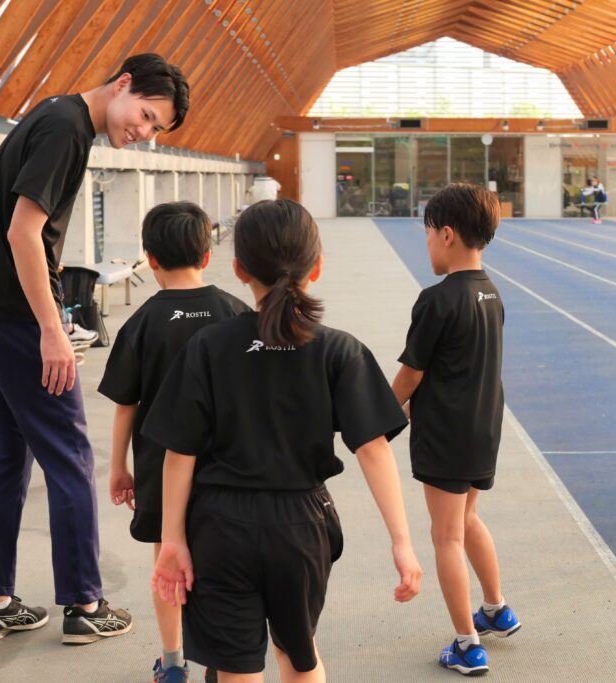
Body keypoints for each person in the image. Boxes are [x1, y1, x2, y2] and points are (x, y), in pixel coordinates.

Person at [0, 53, 189, 644]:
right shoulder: (65, 129)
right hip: (8, 314)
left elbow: (39, 232)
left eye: (156, 129)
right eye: (148, 117)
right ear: (124, 84)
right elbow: (21, 231)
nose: (144, 133)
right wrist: (51, 329)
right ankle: (84, 604)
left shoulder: (56, 114)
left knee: (5, 452)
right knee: (70, 454)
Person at [147, 200, 422, 683]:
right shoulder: (339, 349)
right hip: (300, 528)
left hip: (220, 528)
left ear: (237, 268)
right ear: (316, 267)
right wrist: (402, 542)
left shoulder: (209, 346)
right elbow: (373, 449)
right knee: (299, 657)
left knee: (235, 669)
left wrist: (172, 539)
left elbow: (179, 452)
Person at [98, 202, 251, 682]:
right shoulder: (236, 312)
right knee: (222, 565)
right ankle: (220, 659)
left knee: (168, 560)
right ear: (207, 256)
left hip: (161, 469)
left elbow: (126, 403)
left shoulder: (143, 321)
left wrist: (120, 466)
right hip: (229, 471)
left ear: (150, 258)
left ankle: (172, 661)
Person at [391, 184, 520, 677]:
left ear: (446, 235)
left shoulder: (437, 300)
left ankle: (467, 644)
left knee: (445, 536)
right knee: (467, 521)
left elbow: (412, 372)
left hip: (446, 433)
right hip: (483, 429)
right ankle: (495, 609)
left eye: (427, 235)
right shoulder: (491, 291)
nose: (427, 245)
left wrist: (381, 412)